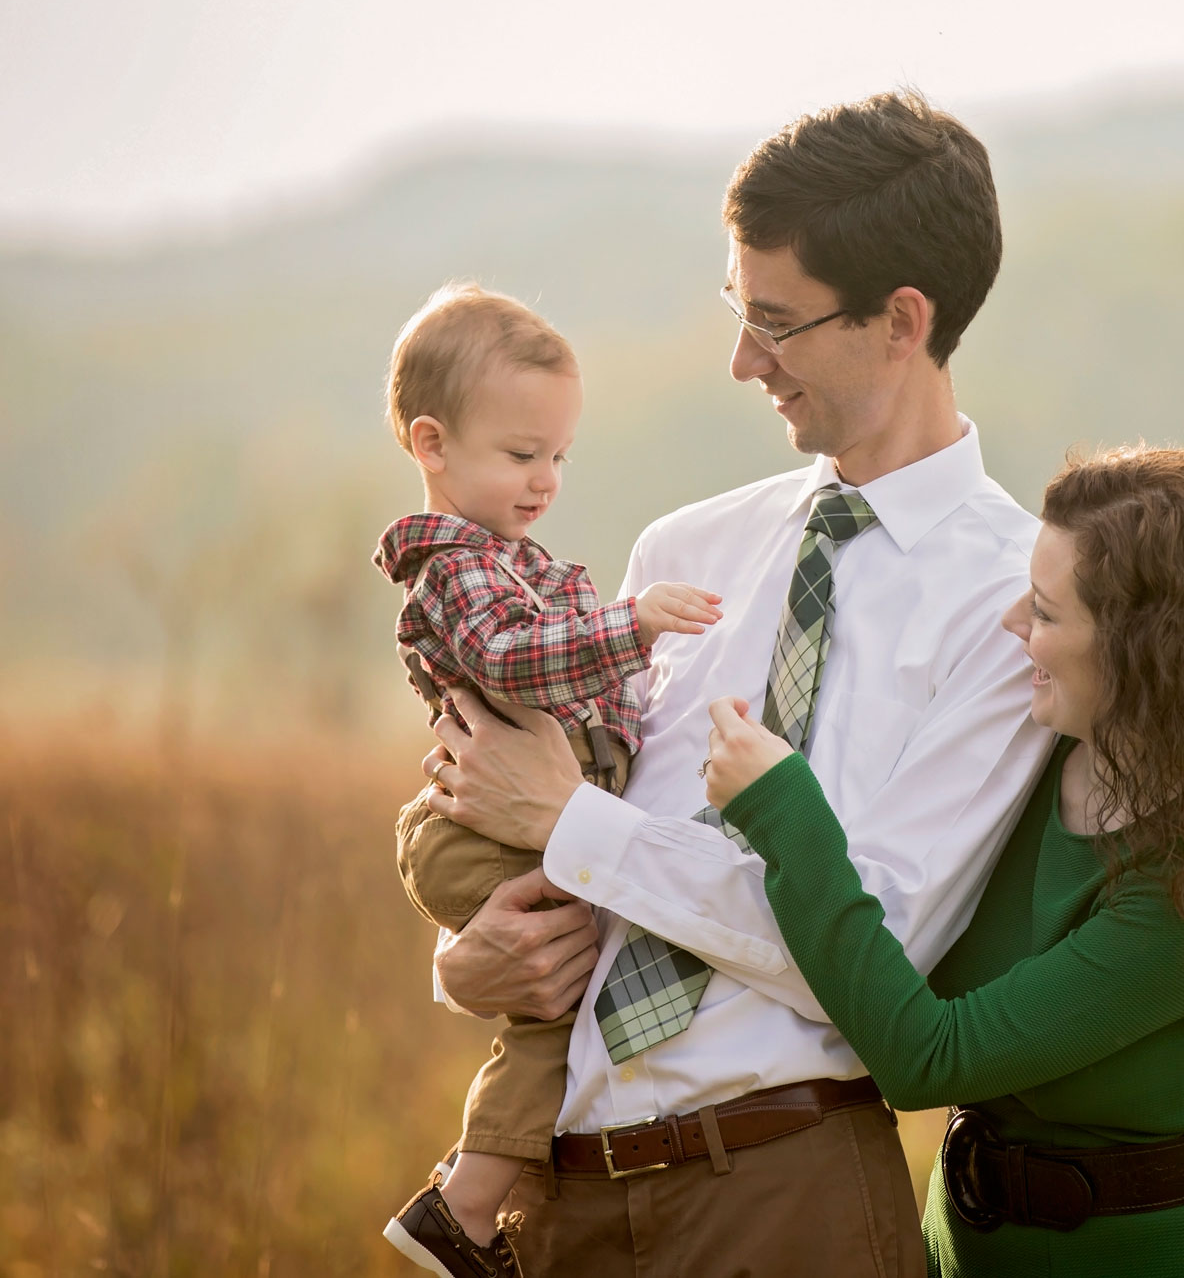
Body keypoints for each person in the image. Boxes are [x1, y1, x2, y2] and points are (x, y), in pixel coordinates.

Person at [419, 91, 1055, 1277]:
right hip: (560, 1197)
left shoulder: (1013, 600)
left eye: (775, 320)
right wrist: (467, 957)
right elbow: (549, 825)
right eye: (736, 307)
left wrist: (568, 822)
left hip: (783, 1193)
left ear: (900, 320)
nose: (741, 358)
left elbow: (871, 947)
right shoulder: (681, 551)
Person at [703, 446, 1184, 1276]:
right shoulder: (1032, 760)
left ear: (1141, 652)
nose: (1013, 623)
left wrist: (781, 809)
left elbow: (927, 1057)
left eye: (1046, 612)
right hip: (963, 1244)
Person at [370, 282, 724, 1277]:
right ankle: (467, 1207)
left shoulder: (515, 558)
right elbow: (514, 661)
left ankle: (480, 1189)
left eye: (559, 455)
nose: (546, 478)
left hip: (507, 815)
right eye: (522, 455)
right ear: (432, 443)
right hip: (480, 830)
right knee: (563, 997)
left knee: (564, 991)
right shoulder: (458, 568)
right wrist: (634, 621)